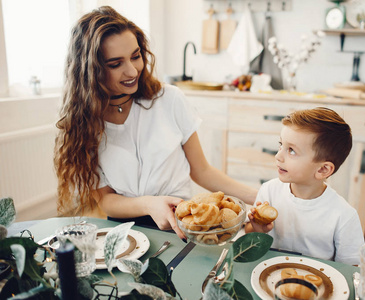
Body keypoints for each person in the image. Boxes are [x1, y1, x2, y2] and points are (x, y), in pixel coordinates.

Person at [54, 6, 257, 239]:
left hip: (178, 225)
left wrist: (259, 196)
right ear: (90, 71)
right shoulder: (84, 124)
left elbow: (202, 171)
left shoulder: (169, 99)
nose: (132, 71)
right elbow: (106, 200)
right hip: (123, 231)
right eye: (115, 64)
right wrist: (149, 205)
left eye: (136, 56)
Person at [245, 107, 364, 265]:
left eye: (292, 151)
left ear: (323, 169)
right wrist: (257, 229)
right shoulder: (269, 191)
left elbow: (353, 269)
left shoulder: (344, 216)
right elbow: (248, 234)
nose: (278, 156)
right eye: (281, 145)